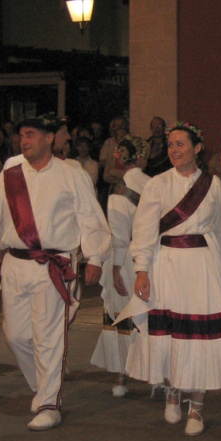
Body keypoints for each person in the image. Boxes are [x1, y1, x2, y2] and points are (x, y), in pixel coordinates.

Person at [0, 114, 111, 430]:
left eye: (31, 134)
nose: (24, 140)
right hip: (15, 264)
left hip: (53, 265)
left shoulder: (71, 175)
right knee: (16, 335)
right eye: (21, 135)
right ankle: (44, 386)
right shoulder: (10, 174)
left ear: (49, 138)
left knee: (48, 337)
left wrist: (95, 257)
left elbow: (90, 216)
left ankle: (50, 404)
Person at [126, 121, 221, 436]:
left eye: (180, 144)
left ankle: (196, 406)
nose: (174, 150)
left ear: (197, 148)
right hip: (166, 265)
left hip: (202, 267)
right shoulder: (157, 184)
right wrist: (142, 270)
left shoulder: (212, 184)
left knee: (199, 336)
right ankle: (172, 390)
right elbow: (143, 230)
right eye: (170, 145)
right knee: (170, 334)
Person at [91, 136, 150, 396]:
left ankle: (122, 376)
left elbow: (119, 233)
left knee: (122, 310)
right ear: (141, 157)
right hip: (151, 256)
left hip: (126, 258)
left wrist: (115, 267)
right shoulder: (154, 184)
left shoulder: (120, 188)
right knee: (148, 313)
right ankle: (154, 374)